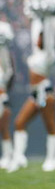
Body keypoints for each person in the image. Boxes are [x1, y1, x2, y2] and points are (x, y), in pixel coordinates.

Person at [8, 3, 55, 172]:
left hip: (45, 94)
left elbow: (49, 37)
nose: (37, 40)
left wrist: (47, 19)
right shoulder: (37, 53)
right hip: (34, 94)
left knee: (50, 125)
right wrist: (37, 16)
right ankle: (18, 157)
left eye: (41, 38)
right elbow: (35, 34)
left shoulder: (49, 54)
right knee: (19, 123)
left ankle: (52, 159)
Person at [0, 22, 15, 170]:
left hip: (1, 95)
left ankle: (8, 155)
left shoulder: (4, 58)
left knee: (3, 127)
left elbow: (9, 71)